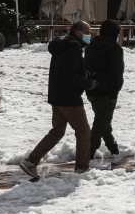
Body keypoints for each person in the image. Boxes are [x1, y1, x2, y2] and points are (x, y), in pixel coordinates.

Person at [19, 21, 93, 179]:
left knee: (57, 131)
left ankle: (30, 162)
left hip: (56, 96)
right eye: (87, 31)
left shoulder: (62, 45)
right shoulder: (73, 49)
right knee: (84, 132)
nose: (89, 34)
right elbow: (70, 76)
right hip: (69, 98)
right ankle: (82, 168)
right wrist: (88, 82)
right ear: (78, 33)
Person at [85, 19, 126, 164]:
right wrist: (114, 94)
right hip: (106, 92)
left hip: (91, 89)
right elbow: (115, 73)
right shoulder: (114, 48)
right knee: (100, 123)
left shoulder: (91, 46)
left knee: (103, 122)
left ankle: (114, 150)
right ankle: (88, 155)